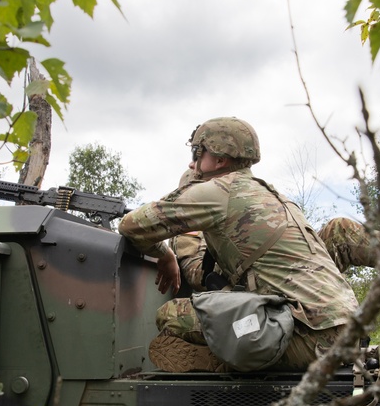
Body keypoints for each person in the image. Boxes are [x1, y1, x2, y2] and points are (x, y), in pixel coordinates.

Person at [119, 117, 359, 372]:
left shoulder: (218, 192)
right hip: (349, 333)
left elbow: (131, 226)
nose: (192, 161)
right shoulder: (271, 195)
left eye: (197, 152)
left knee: (170, 315)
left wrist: (165, 253)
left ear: (220, 159)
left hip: (308, 338)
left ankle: (222, 361)